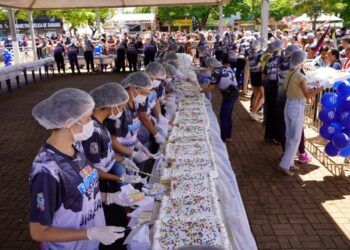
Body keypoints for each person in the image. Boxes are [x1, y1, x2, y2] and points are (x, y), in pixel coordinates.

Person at [29, 88, 124, 249]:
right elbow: (38, 232)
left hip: (89, 244)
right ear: (70, 123)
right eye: (87, 119)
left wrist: (109, 197)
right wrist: (89, 233)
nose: (91, 123)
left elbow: (79, 192)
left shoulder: (76, 148)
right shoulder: (47, 170)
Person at [83, 83, 144, 250]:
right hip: (101, 185)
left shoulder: (101, 124)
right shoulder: (91, 131)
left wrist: (123, 160)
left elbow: (107, 154)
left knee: (119, 223)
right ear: (112, 106)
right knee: (112, 228)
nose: (123, 110)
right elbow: (93, 169)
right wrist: (120, 178)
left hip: (109, 180)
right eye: (122, 107)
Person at [279, 50, 323, 176]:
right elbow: (308, 95)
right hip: (296, 106)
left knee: (290, 136)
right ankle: (285, 164)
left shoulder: (290, 72)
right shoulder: (299, 75)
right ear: (301, 61)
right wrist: (320, 88)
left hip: (289, 104)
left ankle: (289, 163)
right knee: (295, 138)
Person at [105, 72, 152, 175]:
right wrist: (133, 154)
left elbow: (131, 132)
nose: (145, 97)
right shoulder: (118, 110)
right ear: (132, 88)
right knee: (124, 184)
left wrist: (138, 145)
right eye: (144, 93)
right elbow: (113, 142)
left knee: (132, 182)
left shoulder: (135, 104)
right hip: (117, 157)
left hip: (128, 152)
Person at [201, 57, 239, 143]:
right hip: (234, 91)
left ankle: (223, 138)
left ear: (211, 65)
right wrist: (205, 87)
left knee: (223, 116)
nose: (207, 68)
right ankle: (228, 136)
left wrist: (199, 91)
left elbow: (210, 88)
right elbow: (213, 83)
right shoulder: (225, 67)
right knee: (228, 115)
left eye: (208, 66)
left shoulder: (216, 72)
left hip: (230, 94)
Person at [263, 39, 283, 142]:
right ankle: (276, 136)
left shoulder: (269, 60)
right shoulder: (281, 60)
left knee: (269, 110)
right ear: (280, 48)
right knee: (278, 111)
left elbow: (264, 75)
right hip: (278, 87)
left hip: (269, 86)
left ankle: (268, 135)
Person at [247, 39, 264, 121]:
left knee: (256, 95)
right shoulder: (261, 53)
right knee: (263, 96)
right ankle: (254, 112)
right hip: (259, 75)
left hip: (252, 74)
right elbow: (262, 66)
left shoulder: (249, 52)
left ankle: (253, 112)